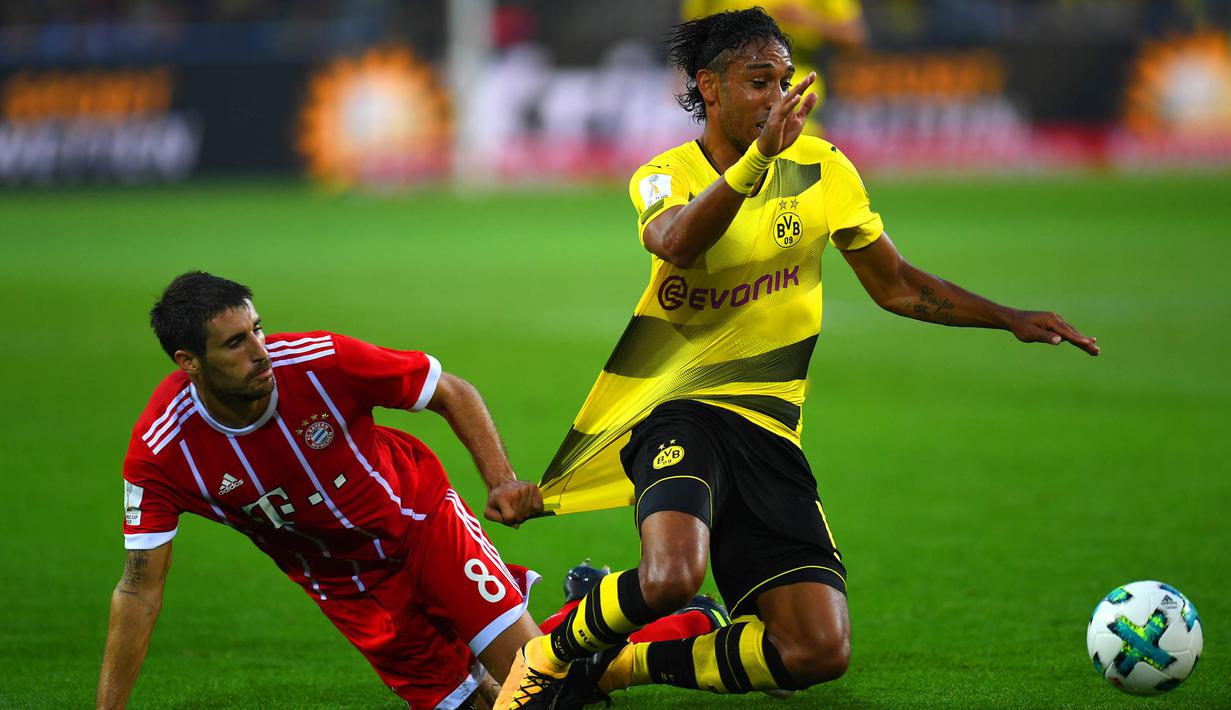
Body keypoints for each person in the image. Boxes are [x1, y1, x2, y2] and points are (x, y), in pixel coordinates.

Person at [498, 8, 1098, 709]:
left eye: (783, 80)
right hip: (676, 413)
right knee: (670, 577)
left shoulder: (822, 168)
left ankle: (613, 669)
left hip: (768, 430)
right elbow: (676, 243)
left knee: (815, 650)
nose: (777, 97)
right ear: (709, 87)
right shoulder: (663, 175)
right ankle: (548, 654)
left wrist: (1008, 318)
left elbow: (896, 286)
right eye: (758, 81)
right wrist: (756, 163)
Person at [97, 272, 545, 710]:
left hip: (422, 523)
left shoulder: (319, 360)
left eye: (257, 329)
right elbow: (139, 588)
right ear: (188, 361)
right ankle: (554, 628)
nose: (260, 351)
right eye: (235, 343)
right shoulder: (162, 449)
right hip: (351, 588)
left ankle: (593, 614)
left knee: (542, 689)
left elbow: (451, 390)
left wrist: (501, 479)